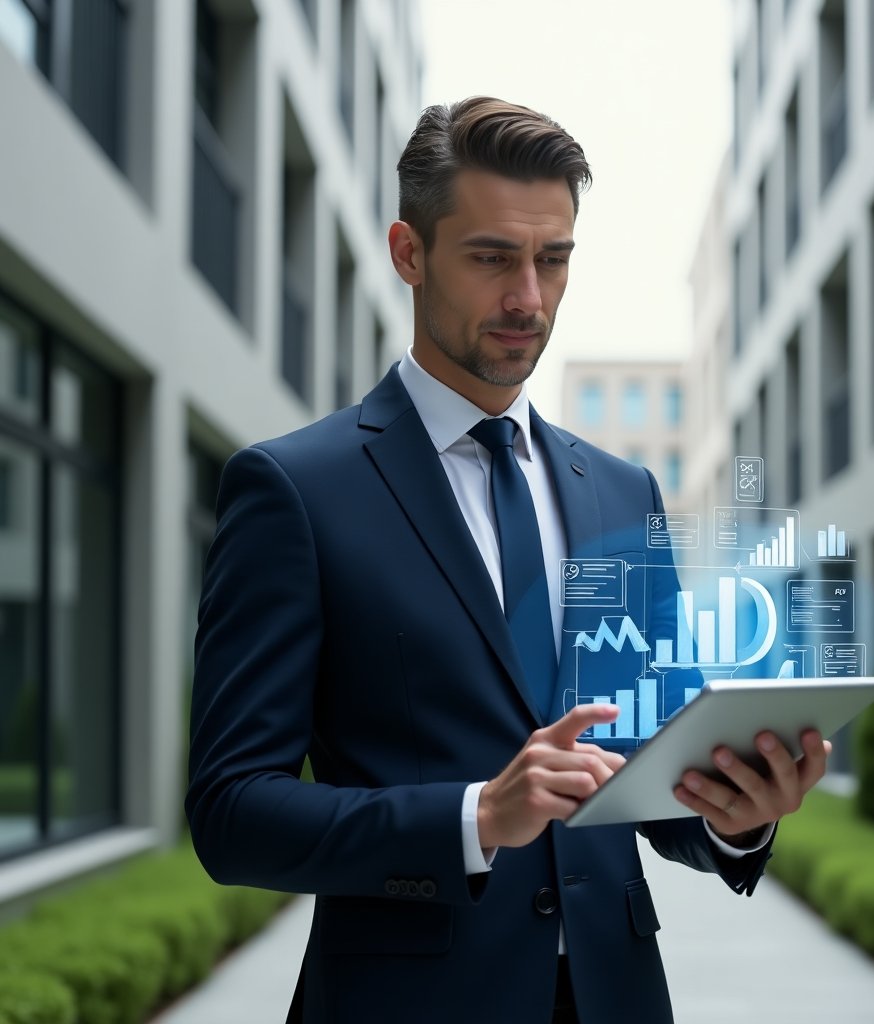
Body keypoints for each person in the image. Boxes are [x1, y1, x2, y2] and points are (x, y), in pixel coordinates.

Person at [186, 96, 830, 1024]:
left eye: (554, 258)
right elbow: (231, 812)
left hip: (619, 996)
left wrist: (738, 815)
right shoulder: (293, 489)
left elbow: (653, 779)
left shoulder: (622, 492)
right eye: (493, 258)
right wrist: (475, 818)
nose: (528, 297)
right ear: (410, 254)